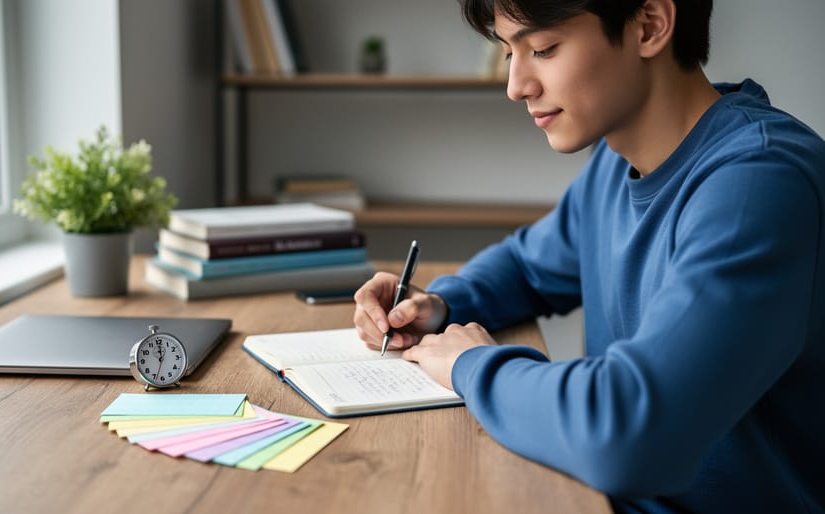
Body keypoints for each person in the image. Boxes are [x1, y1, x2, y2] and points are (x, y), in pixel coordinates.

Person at [352, 0, 825, 512]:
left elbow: (631, 433)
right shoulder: (615, 163)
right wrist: (438, 306)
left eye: (543, 48)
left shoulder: (758, 183)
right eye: (510, 52)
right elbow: (527, 267)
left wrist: (471, 363)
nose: (516, 85)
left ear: (649, 25)